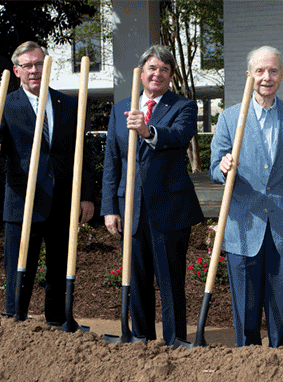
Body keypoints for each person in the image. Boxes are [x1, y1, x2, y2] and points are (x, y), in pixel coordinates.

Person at [210, 46, 283, 352]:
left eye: (273, 71)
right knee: (245, 310)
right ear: (249, 76)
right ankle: (248, 364)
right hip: (243, 227)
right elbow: (214, 167)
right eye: (259, 71)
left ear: (281, 75)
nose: (266, 77)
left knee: (282, 308)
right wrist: (222, 166)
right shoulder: (230, 118)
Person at [0, 41, 96, 324]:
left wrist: (87, 195)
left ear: (48, 66)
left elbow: (83, 154)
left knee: (59, 266)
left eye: (39, 64)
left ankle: (57, 319)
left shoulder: (69, 105)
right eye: (28, 65)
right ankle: (15, 318)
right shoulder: (4, 105)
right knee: (19, 269)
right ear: (17, 70)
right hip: (23, 202)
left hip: (62, 200)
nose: (34, 70)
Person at [100, 44, 203, 347]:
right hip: (130, 206)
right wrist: (110, 207)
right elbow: (111, 160)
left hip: (169, 208)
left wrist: (147, 131)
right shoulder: (121, 108)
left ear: (170, 76)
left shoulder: (183, 106)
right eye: (152, 68)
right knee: (137, 279)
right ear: (142, 72)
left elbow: (179, 136)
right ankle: (142, 338)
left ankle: (175, 341)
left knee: (171, 281)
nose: (157, 74)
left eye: (164, 69)